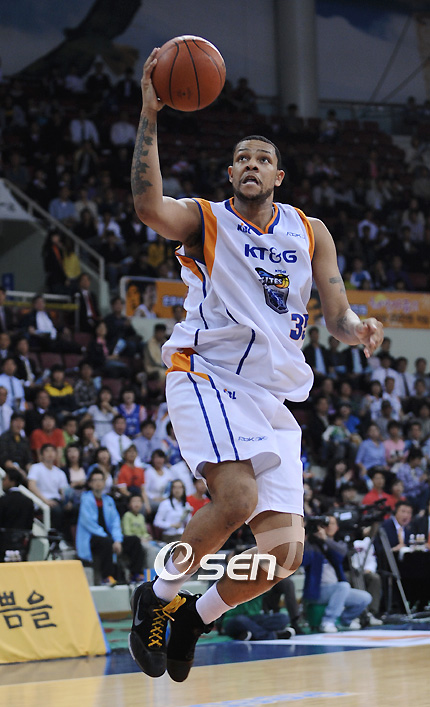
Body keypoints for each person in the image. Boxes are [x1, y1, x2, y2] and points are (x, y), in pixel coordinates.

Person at [127, 48, 383, 682]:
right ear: (231, 173)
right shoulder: (207, 220)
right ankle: (157, 595)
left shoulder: (311, 231)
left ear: (278, 175)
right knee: (237, 500)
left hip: (271, 397)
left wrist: (357, 329)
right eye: (241, 158)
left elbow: (337, 314)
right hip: (208, 374)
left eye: (261, 159)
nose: (250, 165)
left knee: (283, 556)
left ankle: (195, 616)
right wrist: (150, 114)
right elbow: (149, 206)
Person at [302, 516, 372, 633]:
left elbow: (341, 555)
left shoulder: (337, 543)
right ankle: (328, 621)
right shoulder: (312, 545)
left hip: (337, 590)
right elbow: (303, 561)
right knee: (343, 586)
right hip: (318, 591)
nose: (329, 526)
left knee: (365, 598)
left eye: (332, 524)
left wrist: (325, 539)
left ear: (337, 527)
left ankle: (346, 620)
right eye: (326, 524)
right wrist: (305, 541)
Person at [76, 469, 144, 586]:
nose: (98, 483)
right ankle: (107, 577)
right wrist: (110, 539)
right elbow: (89, 524)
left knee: (134, 541)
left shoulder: (109, 500)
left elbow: (115, 522)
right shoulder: (86, 499)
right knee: (106, 542)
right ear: (90, 483)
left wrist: (117, 540)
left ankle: (136, 574)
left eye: (100, 480)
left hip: (109, 538)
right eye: (95, 480)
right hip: (92, 538)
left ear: (104, 483)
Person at [27, 443, 70, 531]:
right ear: (42, 454)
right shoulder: (36, 468)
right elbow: (31, 486)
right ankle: (55, 535)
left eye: (52, 451)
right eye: (47, 451)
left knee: (74, 509)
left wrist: (67, 502)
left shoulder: (60, 472)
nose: (50, 453)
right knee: (57, 511)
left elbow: (64, 490)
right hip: (41, 501)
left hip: (57, 500)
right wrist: (45, 500)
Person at [121, 494, 160, 569]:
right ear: (129, 504)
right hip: (134, 541)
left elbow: (144, 532)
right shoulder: (127, 516)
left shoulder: (141, 517)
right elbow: (127, 533)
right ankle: (151, 573)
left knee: (161, 548)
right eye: (134, 501)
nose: (137, 504)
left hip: (144, 540)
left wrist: (148, 537)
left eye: (139, 501)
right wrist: (140, 538)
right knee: (152, 550)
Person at [0, 465, 34, 530]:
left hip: (5, 535)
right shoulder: (28, 501)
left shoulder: (3, 500)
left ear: (12, 482)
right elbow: (29, 524)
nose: (3, 482)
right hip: (23, 535)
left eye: (5, 479)